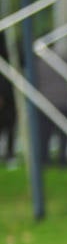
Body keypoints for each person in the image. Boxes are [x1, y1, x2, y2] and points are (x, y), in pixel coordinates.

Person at [0, 33, 18, 168]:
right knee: (8, 127)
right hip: (7, 97)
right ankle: (9, 155)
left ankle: (10, 154)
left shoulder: (9, 56)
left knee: (10, 127)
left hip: (9, 98)